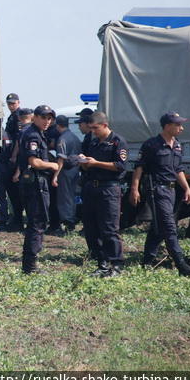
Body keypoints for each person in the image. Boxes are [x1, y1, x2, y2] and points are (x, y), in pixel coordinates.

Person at [130, 112, 190, 276]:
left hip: (171, 191)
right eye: (178, 125)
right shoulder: (151, 145)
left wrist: (186, 188)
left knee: (158, 227)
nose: (182, 128)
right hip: (157, 190)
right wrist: (134, 189)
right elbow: (139, 168)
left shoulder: (177, 145)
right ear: (167, 126)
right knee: (169, 226)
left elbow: (178, 169)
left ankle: (147, 262)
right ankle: (182, 266)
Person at [78, 111, 128, 277]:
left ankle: (116, 265)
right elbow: (87, 166)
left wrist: (96, 163)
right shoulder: (92, 142)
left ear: (105, 125)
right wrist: (84, 162)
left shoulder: (117, 142)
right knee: (92, 229)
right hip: (91, 187)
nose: (93, 131)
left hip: (109, 189)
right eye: (91, 128)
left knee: (109, 229)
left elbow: (120, 166)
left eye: (96, 128)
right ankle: (102, 263)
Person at [17, 105, 59, 274]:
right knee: (37, 223)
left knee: (37, 223)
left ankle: (30, 264)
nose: (47, 121)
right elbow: (34, 162)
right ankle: (30, 266)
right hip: (35, 184)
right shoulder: (33, 135)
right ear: (35, 117)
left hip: (37, 183)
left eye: (49, 118)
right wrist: (53, 165)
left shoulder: (38, 134)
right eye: (43, 117)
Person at [0, 93, 21, 229]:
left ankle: (8, 220)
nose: (11, 106)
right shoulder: (11, 118)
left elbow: (18, 140)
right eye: (9, 103)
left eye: (13, 103)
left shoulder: (17, 117)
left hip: (8, 162)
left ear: (18, 103)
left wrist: (14, 157)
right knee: (11, 192)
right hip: (8, 162)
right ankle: (14, 220)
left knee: (2, 191)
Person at [52, 115, 81, 234]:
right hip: (74, 170)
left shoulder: (62, 139)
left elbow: (61, 159)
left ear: (58, 125)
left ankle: (68, 223)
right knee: (71, 196)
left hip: (65, 171)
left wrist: (55, 175)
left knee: (64, 198)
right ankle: (71, 221)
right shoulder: (74, 137)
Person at [7, 108, 34, 230]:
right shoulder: (31, 130)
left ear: (20, 118)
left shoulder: (25, 132)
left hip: (24, 170)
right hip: (29, 169)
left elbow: (23, 155)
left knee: (22, 198)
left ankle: (21, 223)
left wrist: (17, 172)